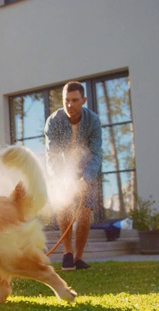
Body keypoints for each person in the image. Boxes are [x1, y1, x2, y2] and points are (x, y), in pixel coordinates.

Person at [44, 81, 102, 270]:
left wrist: (86, 178)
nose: (70, 105)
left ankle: (78, 257)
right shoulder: (54, 121)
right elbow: (51, 155)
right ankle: (67, 253)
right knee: (65, 207)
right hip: (62, 171)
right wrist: (62, 179)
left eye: (74, 100)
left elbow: (96, 153)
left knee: (85, 213)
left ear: (83, 100)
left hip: (87, 171)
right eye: (66, 100)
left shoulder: (93, 121)